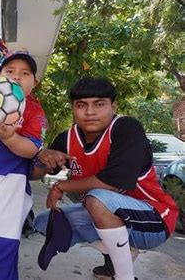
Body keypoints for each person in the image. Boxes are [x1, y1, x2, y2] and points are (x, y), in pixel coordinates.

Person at [30, 77, 178, 279]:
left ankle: (124, 276)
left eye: (99, 104)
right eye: (81, 105)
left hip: (154, 219)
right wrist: (42, 156)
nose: (90, 112)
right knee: (45, 222)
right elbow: (35, 173)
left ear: (113, 105)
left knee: (97, 198)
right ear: (73, 108)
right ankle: (116, 257)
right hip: (108, 214)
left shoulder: (126, 129)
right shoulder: (68, 138)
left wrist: (62, 185)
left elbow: (113, 184)